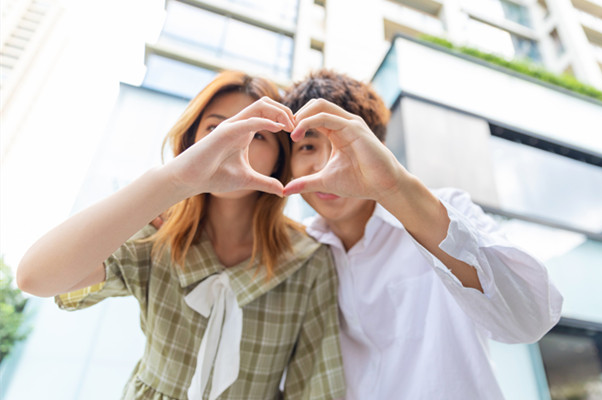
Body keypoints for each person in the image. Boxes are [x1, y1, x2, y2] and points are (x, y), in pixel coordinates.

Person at [17, 71, 345, 400]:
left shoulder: (309, 260)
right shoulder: (156, 234)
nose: (235, 143)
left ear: (279, 158)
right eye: (215, 129)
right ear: (192, 142)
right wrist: (175, 181)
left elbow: (314, 389)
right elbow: (35, 277)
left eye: (258, 134)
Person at [282, 70, 564, 400]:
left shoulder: (446, 211)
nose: (325, 166)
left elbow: (529, 320)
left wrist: (394, 189)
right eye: (308, 146)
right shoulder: (299, 253)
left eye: (342, 145)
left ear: (378, 149)